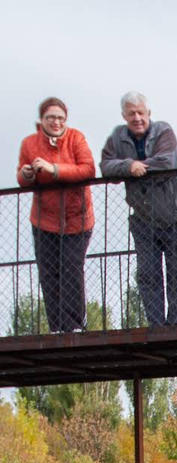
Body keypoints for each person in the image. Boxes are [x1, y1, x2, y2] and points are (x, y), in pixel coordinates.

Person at [101, 92, 177, 326]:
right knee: (148, 275)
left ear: (149, 114)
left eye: (141, 112)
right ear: (124, 115)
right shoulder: (117, 137)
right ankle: (156, 325)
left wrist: (138, 169)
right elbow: (105, 166)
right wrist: (128, 166)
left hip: (175, 215)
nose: (137, 118)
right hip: (143, 218)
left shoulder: (163, 131)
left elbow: (168, 161)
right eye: (131, 113)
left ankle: (175, 324)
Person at [16, 97, 94, 333]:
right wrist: (28, 174)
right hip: (44, 219)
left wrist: (54, 169)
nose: (56, 122)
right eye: (51, 117)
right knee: (48, 273)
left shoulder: (76, 138)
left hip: (77, 218)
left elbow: (88, 169)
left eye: (61, 118)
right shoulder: (29, 143)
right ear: (42, 120)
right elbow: (21, 177)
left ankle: (75, 324)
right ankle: (57, 327)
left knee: (71, 268)